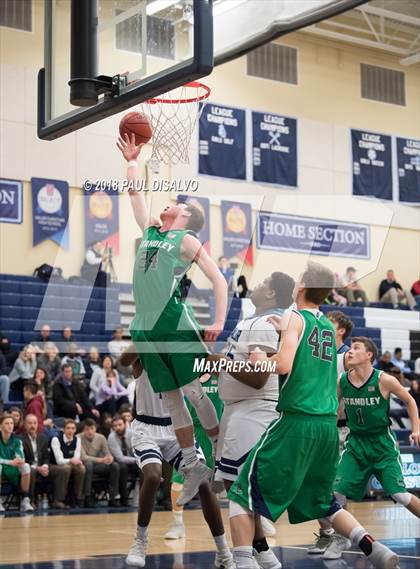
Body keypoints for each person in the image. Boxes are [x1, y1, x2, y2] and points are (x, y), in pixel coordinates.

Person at [228, 261, 400, 569]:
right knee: (326, 503)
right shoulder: (324, 325)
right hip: (326, 428)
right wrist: (281, 328)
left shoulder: (294, 315)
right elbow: (304, 341)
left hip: (297, 420)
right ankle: (374, 548)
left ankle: (242, 562)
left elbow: (283, 366)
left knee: (241, 495)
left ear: (303, 286)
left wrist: (259, 357)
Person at [118, 133, 228, 505]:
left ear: (185, 217)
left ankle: (219, 451)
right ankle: (194, 463)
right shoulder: (151, 229)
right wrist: (132, 161)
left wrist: (218, 320)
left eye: (179, 203)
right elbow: (134, 193)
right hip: (145, 324)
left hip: (172, 320)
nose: (173, 202)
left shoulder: (187, 240)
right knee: (170, 399)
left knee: (195, 391)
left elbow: (219, 279)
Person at [208, 272, 296, 569]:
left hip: (253, 409)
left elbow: (259, 378)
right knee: (242, 485)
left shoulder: (262, 324)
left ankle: (245, 559)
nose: (255, 286)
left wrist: (223, 363)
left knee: (239, 488)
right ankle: (263, 553)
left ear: (271, 293)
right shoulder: (252, 321)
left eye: (261, 283)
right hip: (241, 409)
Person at [119, 351, 233, 569]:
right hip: (146, 428)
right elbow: (123, 361)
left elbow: (209, 362)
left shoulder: (183, 358)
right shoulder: (144, 356)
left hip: (177, 427)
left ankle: (223, 550)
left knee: (204, 484)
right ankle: (140, 540)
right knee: (153, 476)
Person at [320, 337, 420, 560]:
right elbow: (335, 410)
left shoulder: (384, 380)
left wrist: (416, 428)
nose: (350, 351)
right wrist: (327, 435)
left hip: (382, 444)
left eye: (356, 348)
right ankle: (341, 537)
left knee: (400, 495)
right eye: (350, 348)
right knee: (335, 494)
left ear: (369, 356)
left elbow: (410, 401)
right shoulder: (342, 380)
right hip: (356, 443)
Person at [308, 310, 354, 555]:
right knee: (313, 483)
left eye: (330, 322)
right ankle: (327, 533)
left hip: (338, 427)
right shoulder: (318, 353)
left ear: (340, 331)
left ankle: (342, 536)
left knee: (333, 485)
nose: (324, 323)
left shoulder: (347, 356)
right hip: (316, 425)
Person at [21, 413, 69, 509]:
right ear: (25, 425)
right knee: (32, 470)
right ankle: (30, 500)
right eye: (30, 423)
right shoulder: (20, 439)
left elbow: (46, 457)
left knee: (63, 469)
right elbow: (23, 459)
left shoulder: (43, 437)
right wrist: (37, 468)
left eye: (35, 423)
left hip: (42, 466)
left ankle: (58, 500)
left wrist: (45, 466)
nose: (32, 426)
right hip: (29, 467)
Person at [79, 418, 121, 508]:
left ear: (95, 429)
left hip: (98, 465)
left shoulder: (101, 437)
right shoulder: (78, 438)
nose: (89, 432)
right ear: (83, 430)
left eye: (92, 429)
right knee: (89, 465)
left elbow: (107, 453)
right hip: (84, 464)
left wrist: (109, 458)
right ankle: (88, 497)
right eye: (87, 429)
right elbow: (83, 457)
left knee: (115, 466)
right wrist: (101, 460)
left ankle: (113, 497)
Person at [0, 414, 33, 512]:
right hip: (3, 466)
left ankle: (25, 500)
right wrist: (10, 462)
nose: (10, 426)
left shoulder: (17, 440)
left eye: (11, 423)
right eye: (6, 423)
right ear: (0, 426)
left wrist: (20, 459)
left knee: (26, 466)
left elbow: (20, 455)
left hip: (12, 467)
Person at [50, 419, 86, 508]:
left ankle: (76, 497)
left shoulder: (77, 440)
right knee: (65, 468)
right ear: (64, 430)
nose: (70, 430)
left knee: (81, 468)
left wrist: (73, 461)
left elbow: (76, 457)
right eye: (68, 428)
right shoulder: (56, 439)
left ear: (75, 430)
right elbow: (59, 460)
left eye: (72, 428)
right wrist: (71, 461)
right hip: (53, 465)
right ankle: (59, 500)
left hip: (69, 464)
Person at [108, 414, 138, 507]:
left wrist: (138, 460)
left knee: (143, 467)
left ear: (125, 424)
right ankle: (124, 498)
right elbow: (120, 458)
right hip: (120, 462)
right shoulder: (112, 437)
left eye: (120, 425)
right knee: (122, 467)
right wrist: (137, 460)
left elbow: (138, 450)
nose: (118, 427)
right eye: (115, 426)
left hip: (134, 460)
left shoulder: (132, 433)